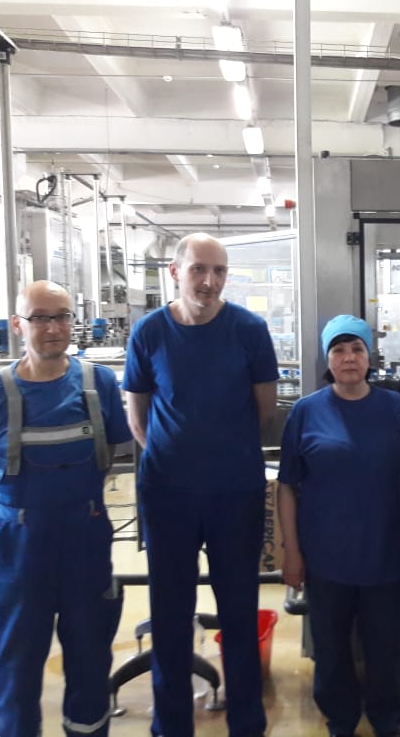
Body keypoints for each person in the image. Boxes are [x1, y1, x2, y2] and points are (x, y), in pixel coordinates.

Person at [0, 280, 131, 737]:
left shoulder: (99, 383)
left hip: (85, 541)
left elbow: (110, 454)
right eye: (41, 318)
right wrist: (8, 515)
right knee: (16, 663)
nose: (54, 328)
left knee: (90, 657)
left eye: (62, 316)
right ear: (18, 325)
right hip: (18, 547)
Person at [123, 233, 278, 737]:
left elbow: (264, 409)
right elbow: (137, 415)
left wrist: (221, 454)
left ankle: (247, 723)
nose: (209, 281)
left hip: (235, 492)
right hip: (168, 493)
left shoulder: (249, 330)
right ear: (175, 271)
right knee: (170, 613)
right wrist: (176, 458)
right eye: (198, 270)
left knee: (239, 610)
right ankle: (171, 725)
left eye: (219, 271)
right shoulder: (149, 332)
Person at [277, 314, 400, 737]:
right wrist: (292, 551)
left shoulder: (397, 409)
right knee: (332, 649)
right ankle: (340, 721)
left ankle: (387, 721)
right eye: (339, 350)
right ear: (328, 359)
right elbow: (287, 486)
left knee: (386, 649)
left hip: (385, 551)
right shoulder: (306, 411)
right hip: (326, 557)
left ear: (370, 357)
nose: (349, 357)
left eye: (357, 349)